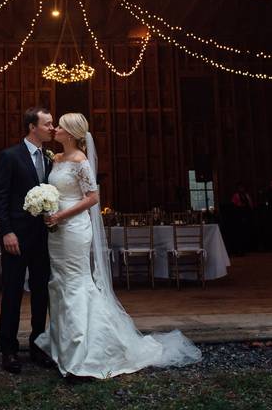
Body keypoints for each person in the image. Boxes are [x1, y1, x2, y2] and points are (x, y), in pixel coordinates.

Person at [35, 113, 201, 379]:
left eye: (61, 126)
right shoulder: (55, 159)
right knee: (60, 281)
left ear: (72, 133)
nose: (56, 129)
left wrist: (61, 215)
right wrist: (46, 207)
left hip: (75, 228)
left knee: (77, 282)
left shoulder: (81, 161)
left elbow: (92, 198)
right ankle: (62, 345)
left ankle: (83, 351)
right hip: (55, 229)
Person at [0, 106, 55, 374]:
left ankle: (37, 346)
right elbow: (1, 197)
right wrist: (6, 231)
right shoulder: (10, 156)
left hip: (44, 239)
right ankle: (8, 350)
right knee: (12, 294)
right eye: (47, 124)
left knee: (42, 294)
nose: (52, 128)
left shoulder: (51, 158)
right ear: (32, 127)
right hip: (16, 238)